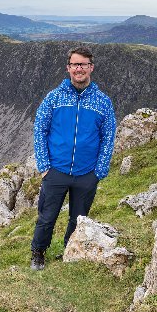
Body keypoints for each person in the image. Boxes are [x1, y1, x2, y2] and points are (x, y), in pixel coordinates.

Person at [30, 46, 116, 270]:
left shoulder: (103, 102)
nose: (79, 69)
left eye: (84, 65)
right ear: (68, 68)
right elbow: (40, 129)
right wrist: (44, 166)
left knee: (78, 219)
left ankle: (70, 250)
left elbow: (108, 138)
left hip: (87, 173)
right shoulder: (54, 98)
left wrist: (99, 172)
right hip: (56, 170)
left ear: (91, 68)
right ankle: (38, 252)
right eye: (75, 64)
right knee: (47, 217)